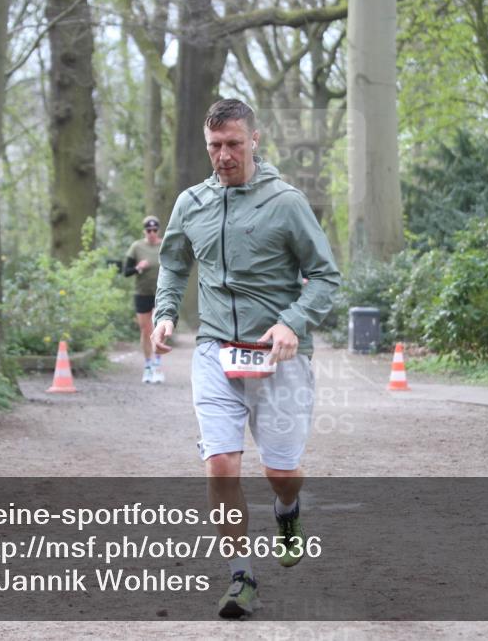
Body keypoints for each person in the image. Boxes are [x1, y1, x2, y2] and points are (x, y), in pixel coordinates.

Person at [151, 99, 340, 619]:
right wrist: (165, 314)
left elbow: (326, 277)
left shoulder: (286, 202)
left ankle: (287, 509)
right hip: (214, 351)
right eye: (215, 146)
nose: (224, 156)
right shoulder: (191, 203)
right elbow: (173, 265)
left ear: (254, 140)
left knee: (282, 472)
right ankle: (241, 577)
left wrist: (292, 322)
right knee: (220, 465)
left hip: (277, 356)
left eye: (234, 144)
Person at [123, 216, 164, 383]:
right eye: (149, 230)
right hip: (142, 293)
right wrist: (138, 267)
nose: (152, 233)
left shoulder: (165, 245)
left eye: (155, 230)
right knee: (146, 330)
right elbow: (126, 272)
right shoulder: (137, 247)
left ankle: (158, 364)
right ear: (144, 231)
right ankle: (148, 366)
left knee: (160, 328)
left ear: (158, 230)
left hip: (162, 293)